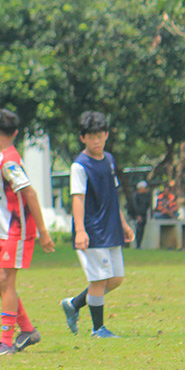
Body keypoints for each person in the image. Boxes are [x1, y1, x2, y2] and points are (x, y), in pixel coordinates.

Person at [0, 108, 55, 356]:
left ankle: (5, 342)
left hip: (16, 230)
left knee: (6, 281)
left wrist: (43, 232)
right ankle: (27, 329)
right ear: (14, 132)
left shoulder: (9, 161)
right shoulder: (0, 156)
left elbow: (30, 193)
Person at [59, 111, 135, 339]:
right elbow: (78, 198)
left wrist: (123, 224)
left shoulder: (110, 160)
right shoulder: (79, 166)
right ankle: (98, 328)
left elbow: (112, 195)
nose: (96, 141)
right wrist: (80, 230)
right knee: (99, 279)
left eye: (100, 136)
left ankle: (74, 304)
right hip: (92, 230)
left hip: (111, 227)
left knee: (116, 278)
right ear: (83, 138)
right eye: (91, 137)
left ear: (106, 135)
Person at [129, 180, 151, 249]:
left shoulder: (145, 196)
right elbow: (135, 206)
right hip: (137, 216)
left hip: (144, 215)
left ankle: (139, 245)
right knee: (138, 229)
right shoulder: (135, 196)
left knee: (142, 230)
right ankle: (137, 245)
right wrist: (138, 215)